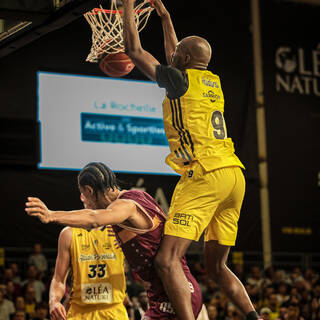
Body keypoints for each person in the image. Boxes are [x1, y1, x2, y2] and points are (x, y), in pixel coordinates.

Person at [119, 0, 261, 319]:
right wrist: (165, 17)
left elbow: (133, 49)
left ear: (182, 60)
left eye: (176, 56)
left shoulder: (178, 81)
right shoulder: (211, 81)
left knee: (166, 261)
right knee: (217, 266)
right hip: (233, 176)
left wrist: (127, 4)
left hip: (205, 174)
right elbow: (177, 55)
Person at [25, 162, 205, 319]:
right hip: (165, 291)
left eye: (84, 194)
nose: (84, 200)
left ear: (89, 190)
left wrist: (51, 215)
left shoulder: (125, 206)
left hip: (173, 291)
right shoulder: (139, 198)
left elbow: (94, 217)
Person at [48, 220, 128, 320]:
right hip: (79, 313)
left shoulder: (120, 231)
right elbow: (58, 279)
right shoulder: (69, 234)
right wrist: (54, 301)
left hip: (114, 312)